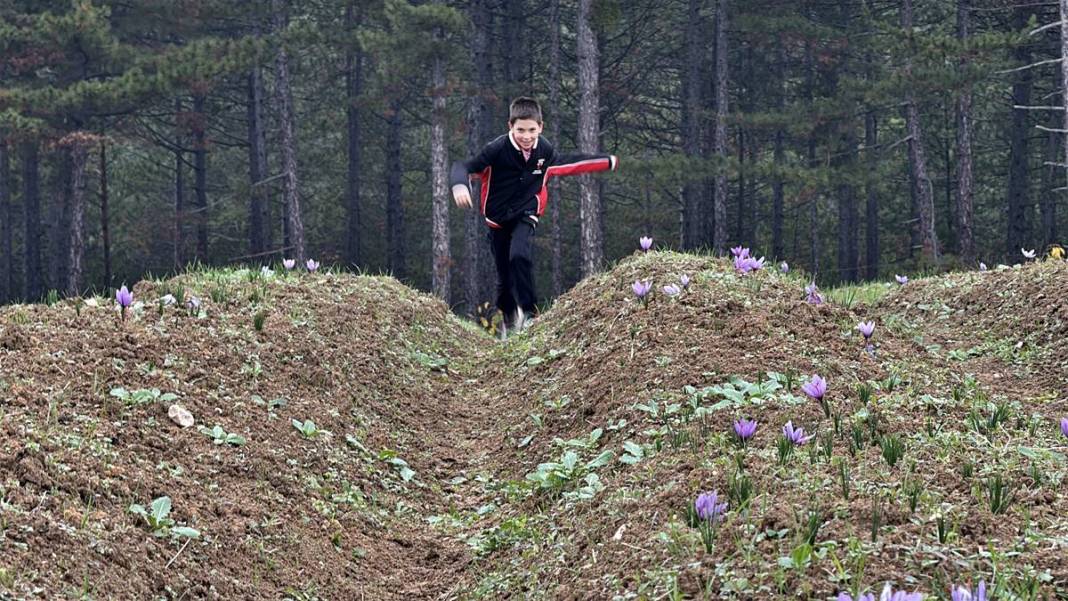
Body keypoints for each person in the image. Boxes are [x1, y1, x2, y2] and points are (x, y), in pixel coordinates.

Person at [451, 96, 618, 339]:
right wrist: (459, 186)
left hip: (527, 212)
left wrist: (605, 161)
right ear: (510, 126)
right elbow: (464, 167)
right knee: (504, 280)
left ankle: (530, 314)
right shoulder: (496, 150)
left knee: (520, 255)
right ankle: (508, 319)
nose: (527, 136)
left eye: (532, 130)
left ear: (540, 127)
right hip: (497, 219)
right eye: (521, 130)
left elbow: (568, 163)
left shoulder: (545, 150)